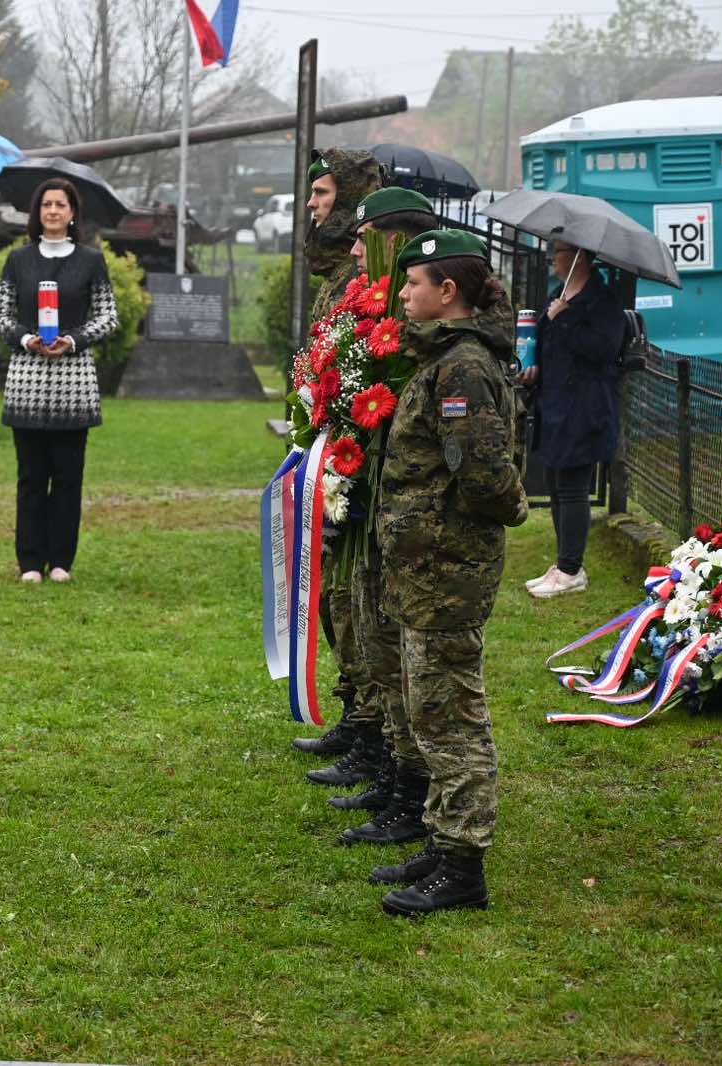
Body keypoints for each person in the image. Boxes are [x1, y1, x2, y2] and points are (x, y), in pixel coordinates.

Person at [370, 230, 527, 917]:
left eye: (414, 284)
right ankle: (442, 841)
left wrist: (512, 507)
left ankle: (463, 866)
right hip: (423, 564)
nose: (403, 294)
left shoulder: (464, 367)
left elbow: (486, 476)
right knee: (427, 708)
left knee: (451, 714)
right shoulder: (442, 358)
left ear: (448, 292)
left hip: (447, 567)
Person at [308, 188, 441, 830]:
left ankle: (406, 783)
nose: (355, 246)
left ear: (397, 240)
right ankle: (381, 754)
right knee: (362, 630)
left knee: (392, 650)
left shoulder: (423, 330)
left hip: (408, 522)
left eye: (367, 237)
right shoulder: (367, 304)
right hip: (370, 500)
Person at [287, 147, 385, 762]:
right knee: (332, 596)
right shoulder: (338, 273)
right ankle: (357, 713)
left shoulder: (368, 278)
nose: (312, 206)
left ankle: (372, 727)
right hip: (327, 449)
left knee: (352, 600)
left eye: (322, 194)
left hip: (354, 461)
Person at [0, 178, 119, 584]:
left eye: (61, 204)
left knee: (67, 478)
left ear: (72, 212)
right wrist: (26, 339)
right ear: (37, 212)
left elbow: (108, 316)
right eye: (46, 204)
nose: (53, 211)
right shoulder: (18, 260)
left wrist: (74, 340)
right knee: (30, 477)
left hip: (74, 384)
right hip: (27, 382)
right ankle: (29, 561)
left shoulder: (91, 261)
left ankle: (61, 559)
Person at [522, 240, 627, 599]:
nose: (553, 257)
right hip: (553, 405)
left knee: (572, 486)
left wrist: (565, 318)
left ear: (579, 256)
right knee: (555, 483)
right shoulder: (558, 294)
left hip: (584, 408)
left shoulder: (603, 301)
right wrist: (532, 368)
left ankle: (571, 570)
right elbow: (548, 344)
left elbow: (604, 349)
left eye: (560, 251)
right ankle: (565, 564)